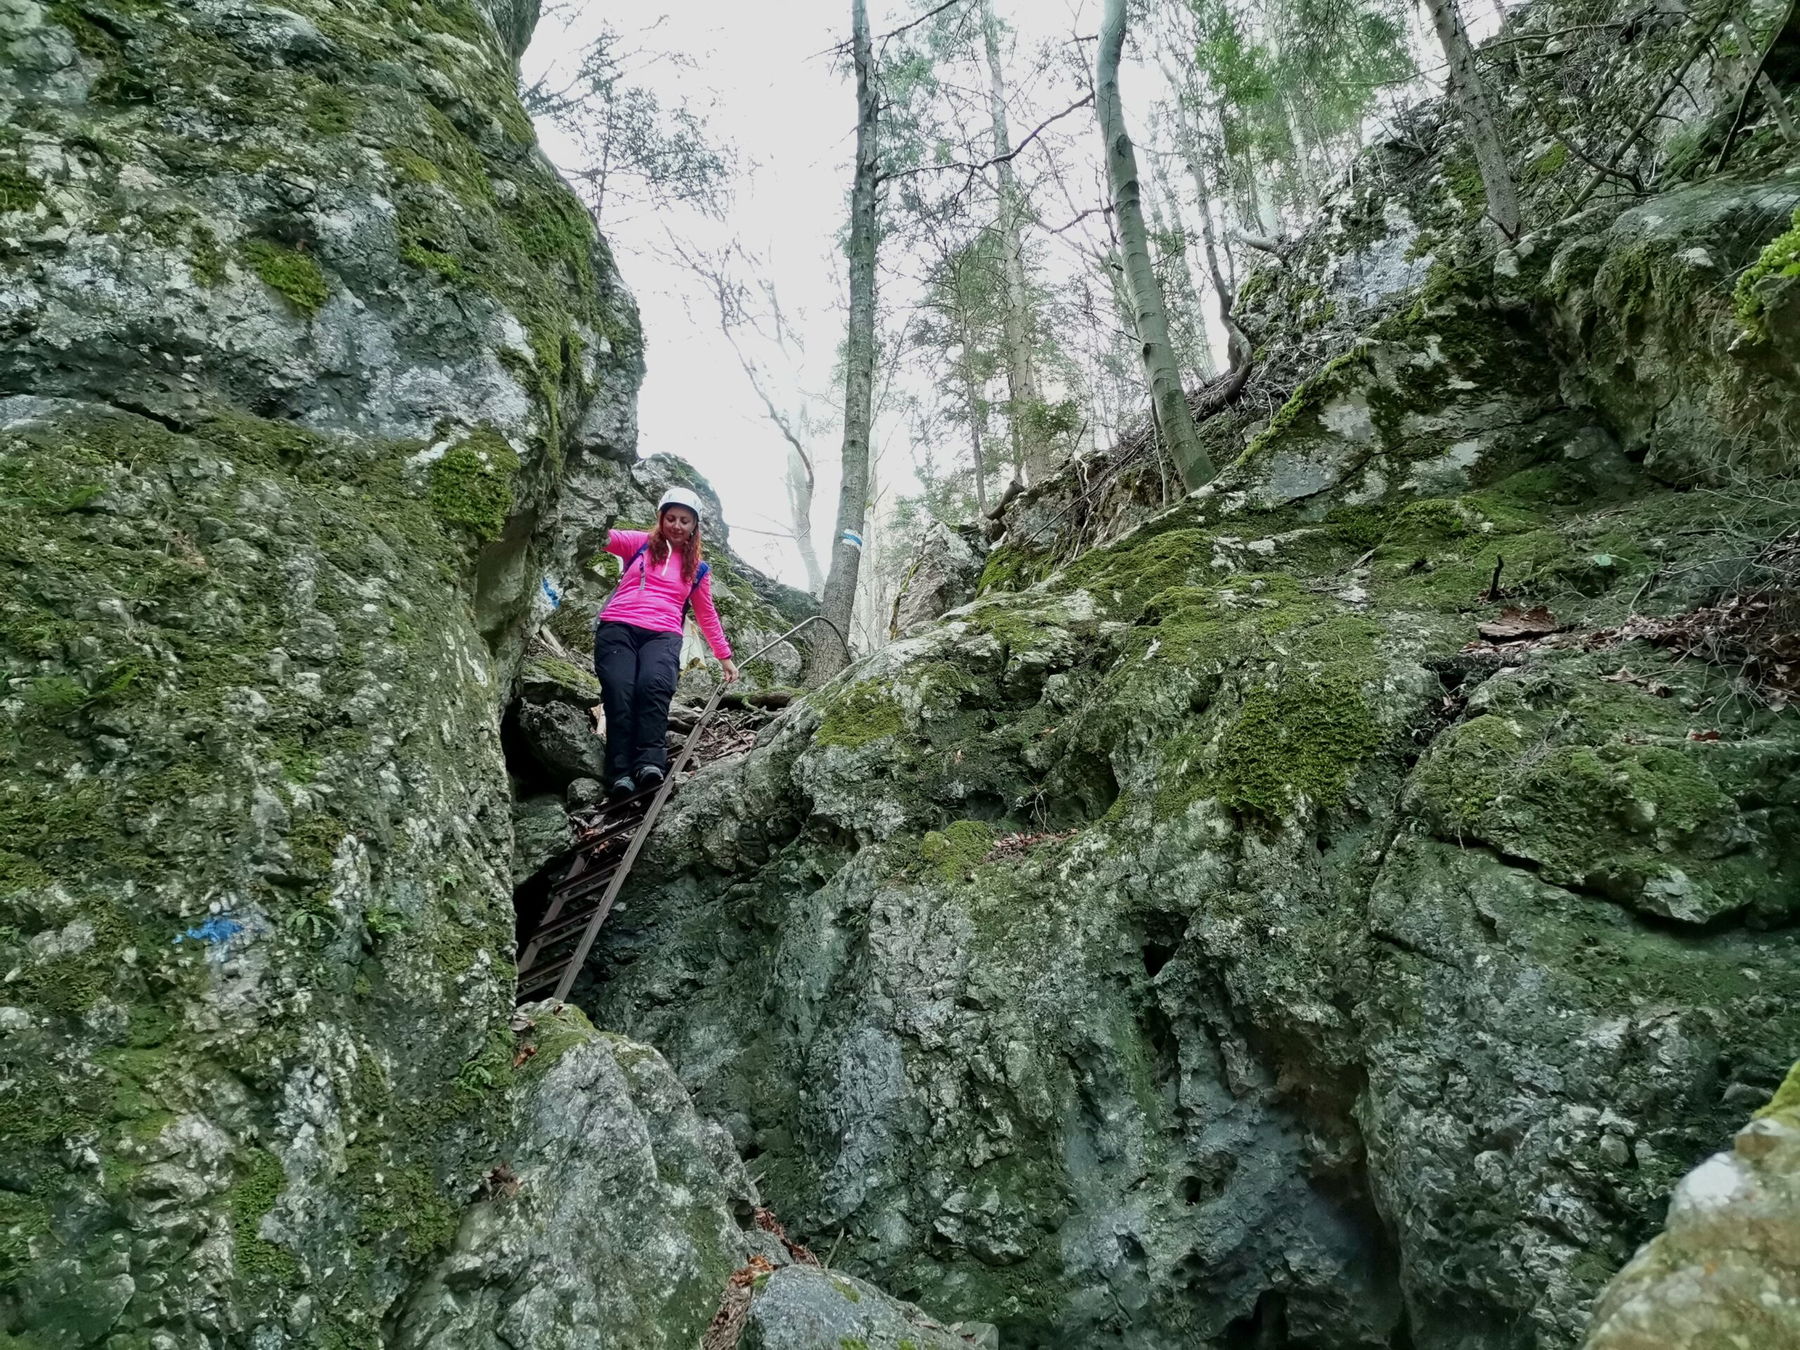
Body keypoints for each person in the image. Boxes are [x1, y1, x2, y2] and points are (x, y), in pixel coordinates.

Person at [593, 488, 739, 801]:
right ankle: (619, 772)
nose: (676, 525)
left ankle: (649, 763)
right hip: (618, 626)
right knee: (620, 691)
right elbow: (598, 535)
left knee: (653, 687)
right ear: (661, 518)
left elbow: (706, 614)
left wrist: (723, 656)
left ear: (694, 526)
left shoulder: (698, 568)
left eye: (684, 520)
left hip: (663, 634)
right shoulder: (640, 543)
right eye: (670, 518)